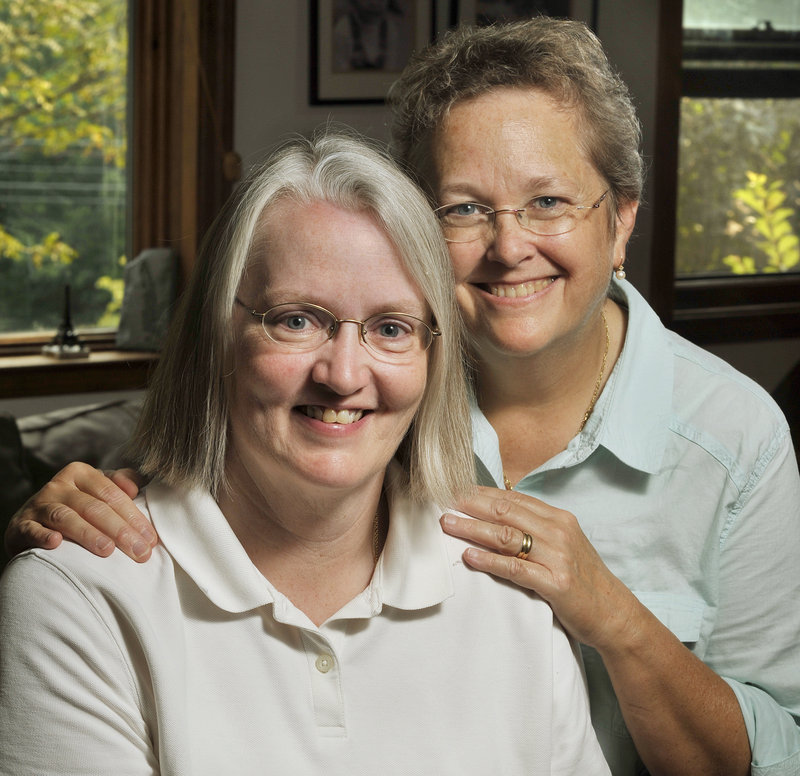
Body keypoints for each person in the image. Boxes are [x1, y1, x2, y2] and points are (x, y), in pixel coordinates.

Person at [6, 18, 800, 776]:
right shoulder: (350, 403)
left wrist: (613, 616)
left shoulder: (735, 441)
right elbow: (199, 484)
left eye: (549, 202)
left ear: (621, 220)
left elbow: (777, 751)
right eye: (461, 209)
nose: (509, 244)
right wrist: (70, 524)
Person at [0, 130, 611, 774]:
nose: (344, 375)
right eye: (296, 319)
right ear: (217, 333)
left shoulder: (507, 599)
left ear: (434, 357)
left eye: (392, 328)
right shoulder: (79, 594)